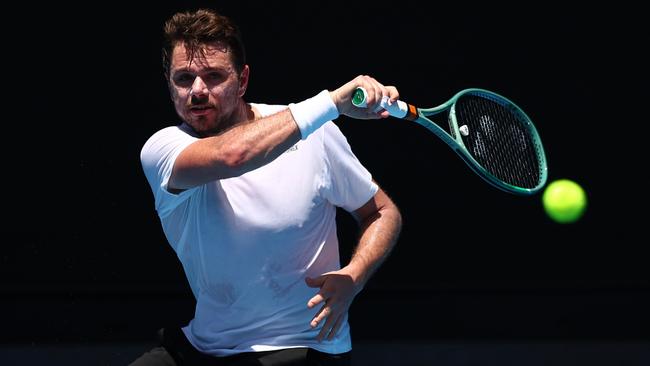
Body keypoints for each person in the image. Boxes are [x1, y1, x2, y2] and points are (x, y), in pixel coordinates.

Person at [133, 8, 402, 366]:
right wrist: (333, 102)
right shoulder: (162, 151)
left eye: (214, 76)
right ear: (169, 85)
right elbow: (233, 155)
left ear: (242, 81)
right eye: (184, 79)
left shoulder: (315, 137)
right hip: (203, 346)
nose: (197, 90)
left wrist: (354, 275)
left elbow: (382, 211)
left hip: (302, 346)